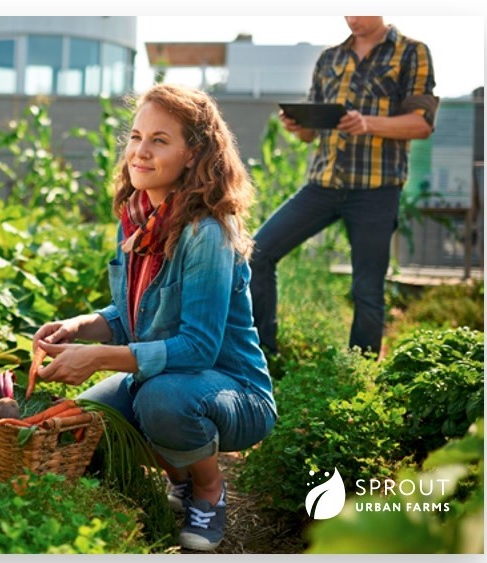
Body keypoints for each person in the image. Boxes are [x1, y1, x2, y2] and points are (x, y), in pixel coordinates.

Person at [32, 84, 277, 552]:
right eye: (136, 137)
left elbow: (198, 348)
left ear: (193, 154)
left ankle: (207, 489)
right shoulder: (139, 219)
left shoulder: (206, 232)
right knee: (85, 423)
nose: (140, 152)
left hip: (232, 389)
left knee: (161, 401)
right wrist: (83, 327)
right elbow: (135, 315)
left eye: (160, 140)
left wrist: (99, 358)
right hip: (166, 378)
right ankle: (179, 472)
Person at [250, 17, 438, 356]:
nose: (352, 18)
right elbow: (310, 134)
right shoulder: (330, 58)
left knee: (367, 290)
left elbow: (421, 124)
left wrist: (367, 123)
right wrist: (297, 125)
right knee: (256, 252)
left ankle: (361, 371)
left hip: (376, 191)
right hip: (323, 185)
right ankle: (264, 355)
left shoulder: (411, 52)